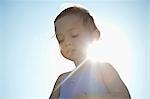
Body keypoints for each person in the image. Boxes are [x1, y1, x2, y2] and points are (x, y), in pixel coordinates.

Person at [49, 6, 131, 99]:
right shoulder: (62, 79)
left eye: (74, 35)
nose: (67, 42)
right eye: (61, 39)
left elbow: (124, 96)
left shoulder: (103, 69)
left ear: (94, 36)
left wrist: (88, 97)